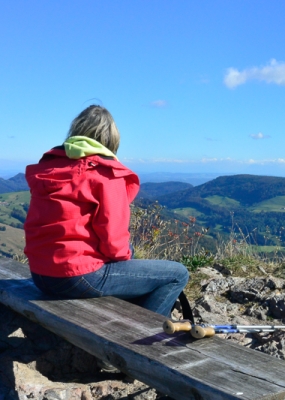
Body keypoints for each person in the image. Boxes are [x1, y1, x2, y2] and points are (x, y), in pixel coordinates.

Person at [24, 105, 189, 318]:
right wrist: (125, 255)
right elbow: (114, 244)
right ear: (111, 140)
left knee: (129, 255)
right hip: (77, 278)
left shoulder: (50, 169)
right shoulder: (106, 174)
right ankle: (143, 332)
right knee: (177, 274)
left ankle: (129, 316)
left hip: (41, 274)